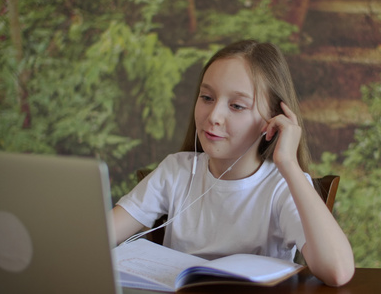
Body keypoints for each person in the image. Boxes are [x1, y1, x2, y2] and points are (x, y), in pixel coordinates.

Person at [112, 40, 354, 286]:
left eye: (237, 106)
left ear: (273, 119)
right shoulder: (176, 171)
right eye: (207, 97)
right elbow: (100, 237)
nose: (214, 116)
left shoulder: (282, 187)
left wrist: (289, 164)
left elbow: (338, 271)